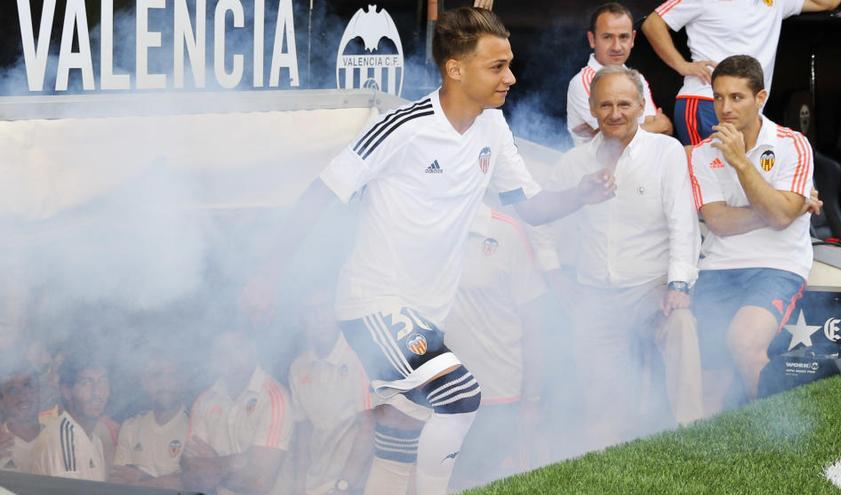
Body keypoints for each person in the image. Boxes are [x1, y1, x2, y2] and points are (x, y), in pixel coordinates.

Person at [243, 7, 614, 494]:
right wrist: (266, 276)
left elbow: (532, 208)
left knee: (398, 440)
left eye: (510, 64)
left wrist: (580, 196)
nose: (511, 76)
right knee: (460, 396)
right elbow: (321, 194)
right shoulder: (404, 127)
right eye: (497, 66)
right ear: (455, 69)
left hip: (425, 319)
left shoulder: (493, 128)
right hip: (374, 305)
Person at [539, 66, 702, 448]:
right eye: (606, 105)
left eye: (625, 104)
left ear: (642, 106)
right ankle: (608, 460)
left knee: (682, 326)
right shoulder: (573, 164)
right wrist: (556, 278)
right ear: (592, 110)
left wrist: (678, 285)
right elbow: (539, 220)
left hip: (653, 289)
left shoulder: (666, 152)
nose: (616, 113)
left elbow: (684, 223)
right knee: (602, 406)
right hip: (595, 296)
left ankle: (691, 436)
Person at [689, 55, 815, 413]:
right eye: (718, 97)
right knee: (709, 376)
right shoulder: (701, 154)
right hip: (717, 267)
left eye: (736, 97)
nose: (724, 108)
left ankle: (770, 436)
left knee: (744, 342)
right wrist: (789, 207)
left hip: (777, 265)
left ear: (760, 98)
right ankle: (710, 458)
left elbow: (779, 216)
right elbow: (719, 223)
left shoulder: (794, 145)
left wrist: (742, 163)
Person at [443, 204, 547, 489]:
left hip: (499, 395)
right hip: (443, 399)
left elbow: (534, 324)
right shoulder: (429, 225)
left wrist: (532, 401)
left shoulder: (506, 231)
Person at [641, 0, 841, 147]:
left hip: (749, 110)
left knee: (736, 187)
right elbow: (652, 23)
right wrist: (682, 65)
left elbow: (827, 3)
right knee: (706, 185)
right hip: (706, 102)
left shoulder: (775, 2)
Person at [182, 331, 293, 495]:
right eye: (222, 352)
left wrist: (214, 463)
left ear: (253, 349)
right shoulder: (204, 401)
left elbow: (260, 482)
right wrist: (240, 461)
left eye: (238, 348)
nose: (231, 359)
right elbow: (191, 478)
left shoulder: (274, 397)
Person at [287, 289, 374, 495]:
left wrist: (344, 485)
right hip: (315, 484)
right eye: (311, 311)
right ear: (302, 320)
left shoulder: (357, 357)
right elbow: (303, 432)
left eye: (324, 308)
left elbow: (368, 426)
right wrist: (299, 485)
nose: (319, 318)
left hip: (355, 485)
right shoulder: (298, 368)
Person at [567, 2, 673, 145]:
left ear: (633, 39)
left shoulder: (637, 78)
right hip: (602, 167)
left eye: (623, 37)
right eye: (608, 37)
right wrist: (654, 125)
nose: (617, 47)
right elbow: (614, 139)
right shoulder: (583, 82)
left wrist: (644, 128)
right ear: (592, 40)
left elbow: (665, 130)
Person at [110, 352, 188, 489]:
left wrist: (143, 478)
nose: (164, 382)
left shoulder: (195, 426)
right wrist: (170, 481)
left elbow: (195, 484)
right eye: (157, 375)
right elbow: (119, 482)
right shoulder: (131, 427)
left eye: (172, 375)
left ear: (182, 381)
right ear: (144, 382)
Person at [31, 349, 110, 481]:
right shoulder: (62, 439)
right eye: (86, 383)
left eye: (102, 382)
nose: (97, 392)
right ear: (67, 391)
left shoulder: (95, 440)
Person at [0, 356, 42, 474]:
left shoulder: (59, 436)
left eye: (28, 385)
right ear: (1, 401)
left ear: (39, 391)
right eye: (12, 390)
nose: (22, 395)